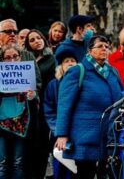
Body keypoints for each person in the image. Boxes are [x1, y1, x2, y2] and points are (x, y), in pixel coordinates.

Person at [55, 35, 124, 179]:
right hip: (85, 137)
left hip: (109, 136)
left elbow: (123, 96)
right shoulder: (77, 71)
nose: (104, 49)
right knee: (85, 174)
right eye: (100, 46)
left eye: (107, 46)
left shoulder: (113, 72)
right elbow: (64, 105)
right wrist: (62, 134)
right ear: (89, 51)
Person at [0, 46, 38, 179]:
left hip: (22, 125)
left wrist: (32, 96)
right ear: (3, 60)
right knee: (2, 163)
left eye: (15, 56)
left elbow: (36, 100)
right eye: (8, 57)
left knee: (18, 162)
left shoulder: (27, 74)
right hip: (2, 125)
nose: (12, 60)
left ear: (20, 57)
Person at [24, 29, 57, 179]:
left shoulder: (52, 59)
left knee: (42, 144)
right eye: (32, 40)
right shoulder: (25, 60)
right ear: (28, 45)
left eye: (39, 37)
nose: (37, 41)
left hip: (45, 106)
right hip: (28, 107)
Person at [44, 48, 78, 179]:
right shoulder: (53, 85)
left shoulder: (82, 83)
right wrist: (58, 130)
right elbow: (49, 111)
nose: (70, 63)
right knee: (60, 168)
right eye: (66, 61)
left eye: (73, 61)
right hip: (59, 135)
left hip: (78, 132)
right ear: (61, 66)